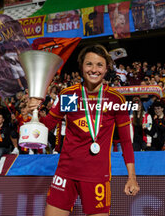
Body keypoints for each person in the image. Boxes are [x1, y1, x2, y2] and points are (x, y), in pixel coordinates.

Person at [28, 44, 139, 216]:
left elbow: (125, 142)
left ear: (106, 68)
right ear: (81, 67)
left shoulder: (115, 99)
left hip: (97, 176)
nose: (94, 69)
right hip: (66, 173)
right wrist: (34, 113)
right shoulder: (69, 95)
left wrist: (131, 177)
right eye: (89, 64)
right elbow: (48, 125)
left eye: (99, 65)